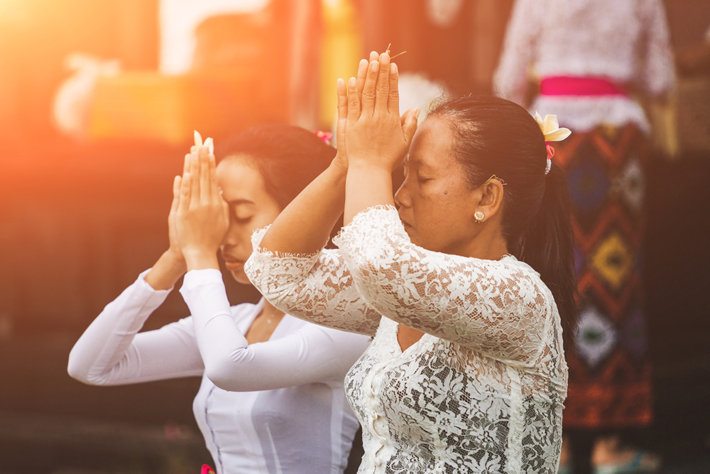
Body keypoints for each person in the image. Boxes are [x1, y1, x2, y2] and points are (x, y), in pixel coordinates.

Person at [245, 51, 574, 472]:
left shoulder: (520, 297)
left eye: (422, 177)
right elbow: (278, 273)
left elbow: (380, 269)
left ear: (487, 198)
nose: (400, 195)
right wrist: (346, 163)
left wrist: (370, 162)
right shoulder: (405, 285)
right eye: (401, 176)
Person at [67, 124, 370, 473]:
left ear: (306, 214)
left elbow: (229, 366)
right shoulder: (234, 323)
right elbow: (90, 366)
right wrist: (176, 255)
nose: (223, 236)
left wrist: (199, 254)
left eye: (241, 215)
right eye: (218, 218)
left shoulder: (344, 327)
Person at [494, 1, 674, 471]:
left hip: (555, 134)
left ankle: (554, 440)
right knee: (615, 279)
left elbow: (507, 79)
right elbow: (661, 79)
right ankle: (611, 441)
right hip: (618, 140)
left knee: (551, 269)